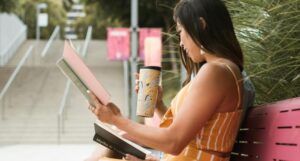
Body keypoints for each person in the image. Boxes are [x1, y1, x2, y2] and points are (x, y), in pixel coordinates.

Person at [86, 0, 251, 160]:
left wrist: (116, 119)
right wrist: (158, 105)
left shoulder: (216, 71)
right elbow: (191, 134)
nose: (181, 43)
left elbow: (174, 142)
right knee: (109, 146)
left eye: (181, 32)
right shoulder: (222, 70)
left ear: (200, 25)